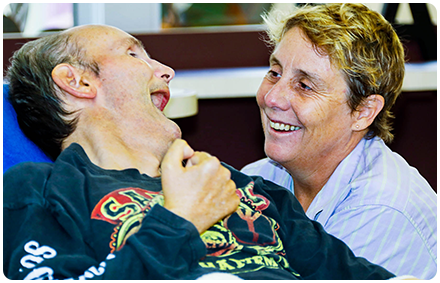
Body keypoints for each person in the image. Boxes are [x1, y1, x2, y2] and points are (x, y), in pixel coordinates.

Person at [3, 24, 406, 280]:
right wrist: (178, 222)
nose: (166, 71)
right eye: (133, 54)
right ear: (77, 81)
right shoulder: (39, 190)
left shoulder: (244, 185)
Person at [241, 3, 440, 280]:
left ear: (363, 111)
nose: (271, 98)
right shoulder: (260, 176)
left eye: (305, 86)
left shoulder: (381, 210)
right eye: (275, 73)